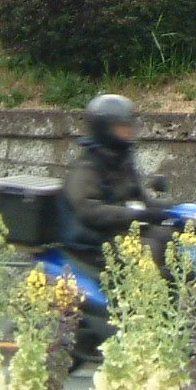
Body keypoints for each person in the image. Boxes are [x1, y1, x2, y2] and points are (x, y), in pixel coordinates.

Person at [63, 93, 172, 273]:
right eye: (121, 127)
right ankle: (141, 298)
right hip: (95, 238)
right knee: (150, 249)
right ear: (104, 129)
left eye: (129, 125)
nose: (128, 131)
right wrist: (136, 215)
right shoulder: (87, 167)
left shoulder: (122, 161)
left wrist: (167, 209)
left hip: (121, 230)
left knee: (171, 238)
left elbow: (141, 197)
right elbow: (90, 210)